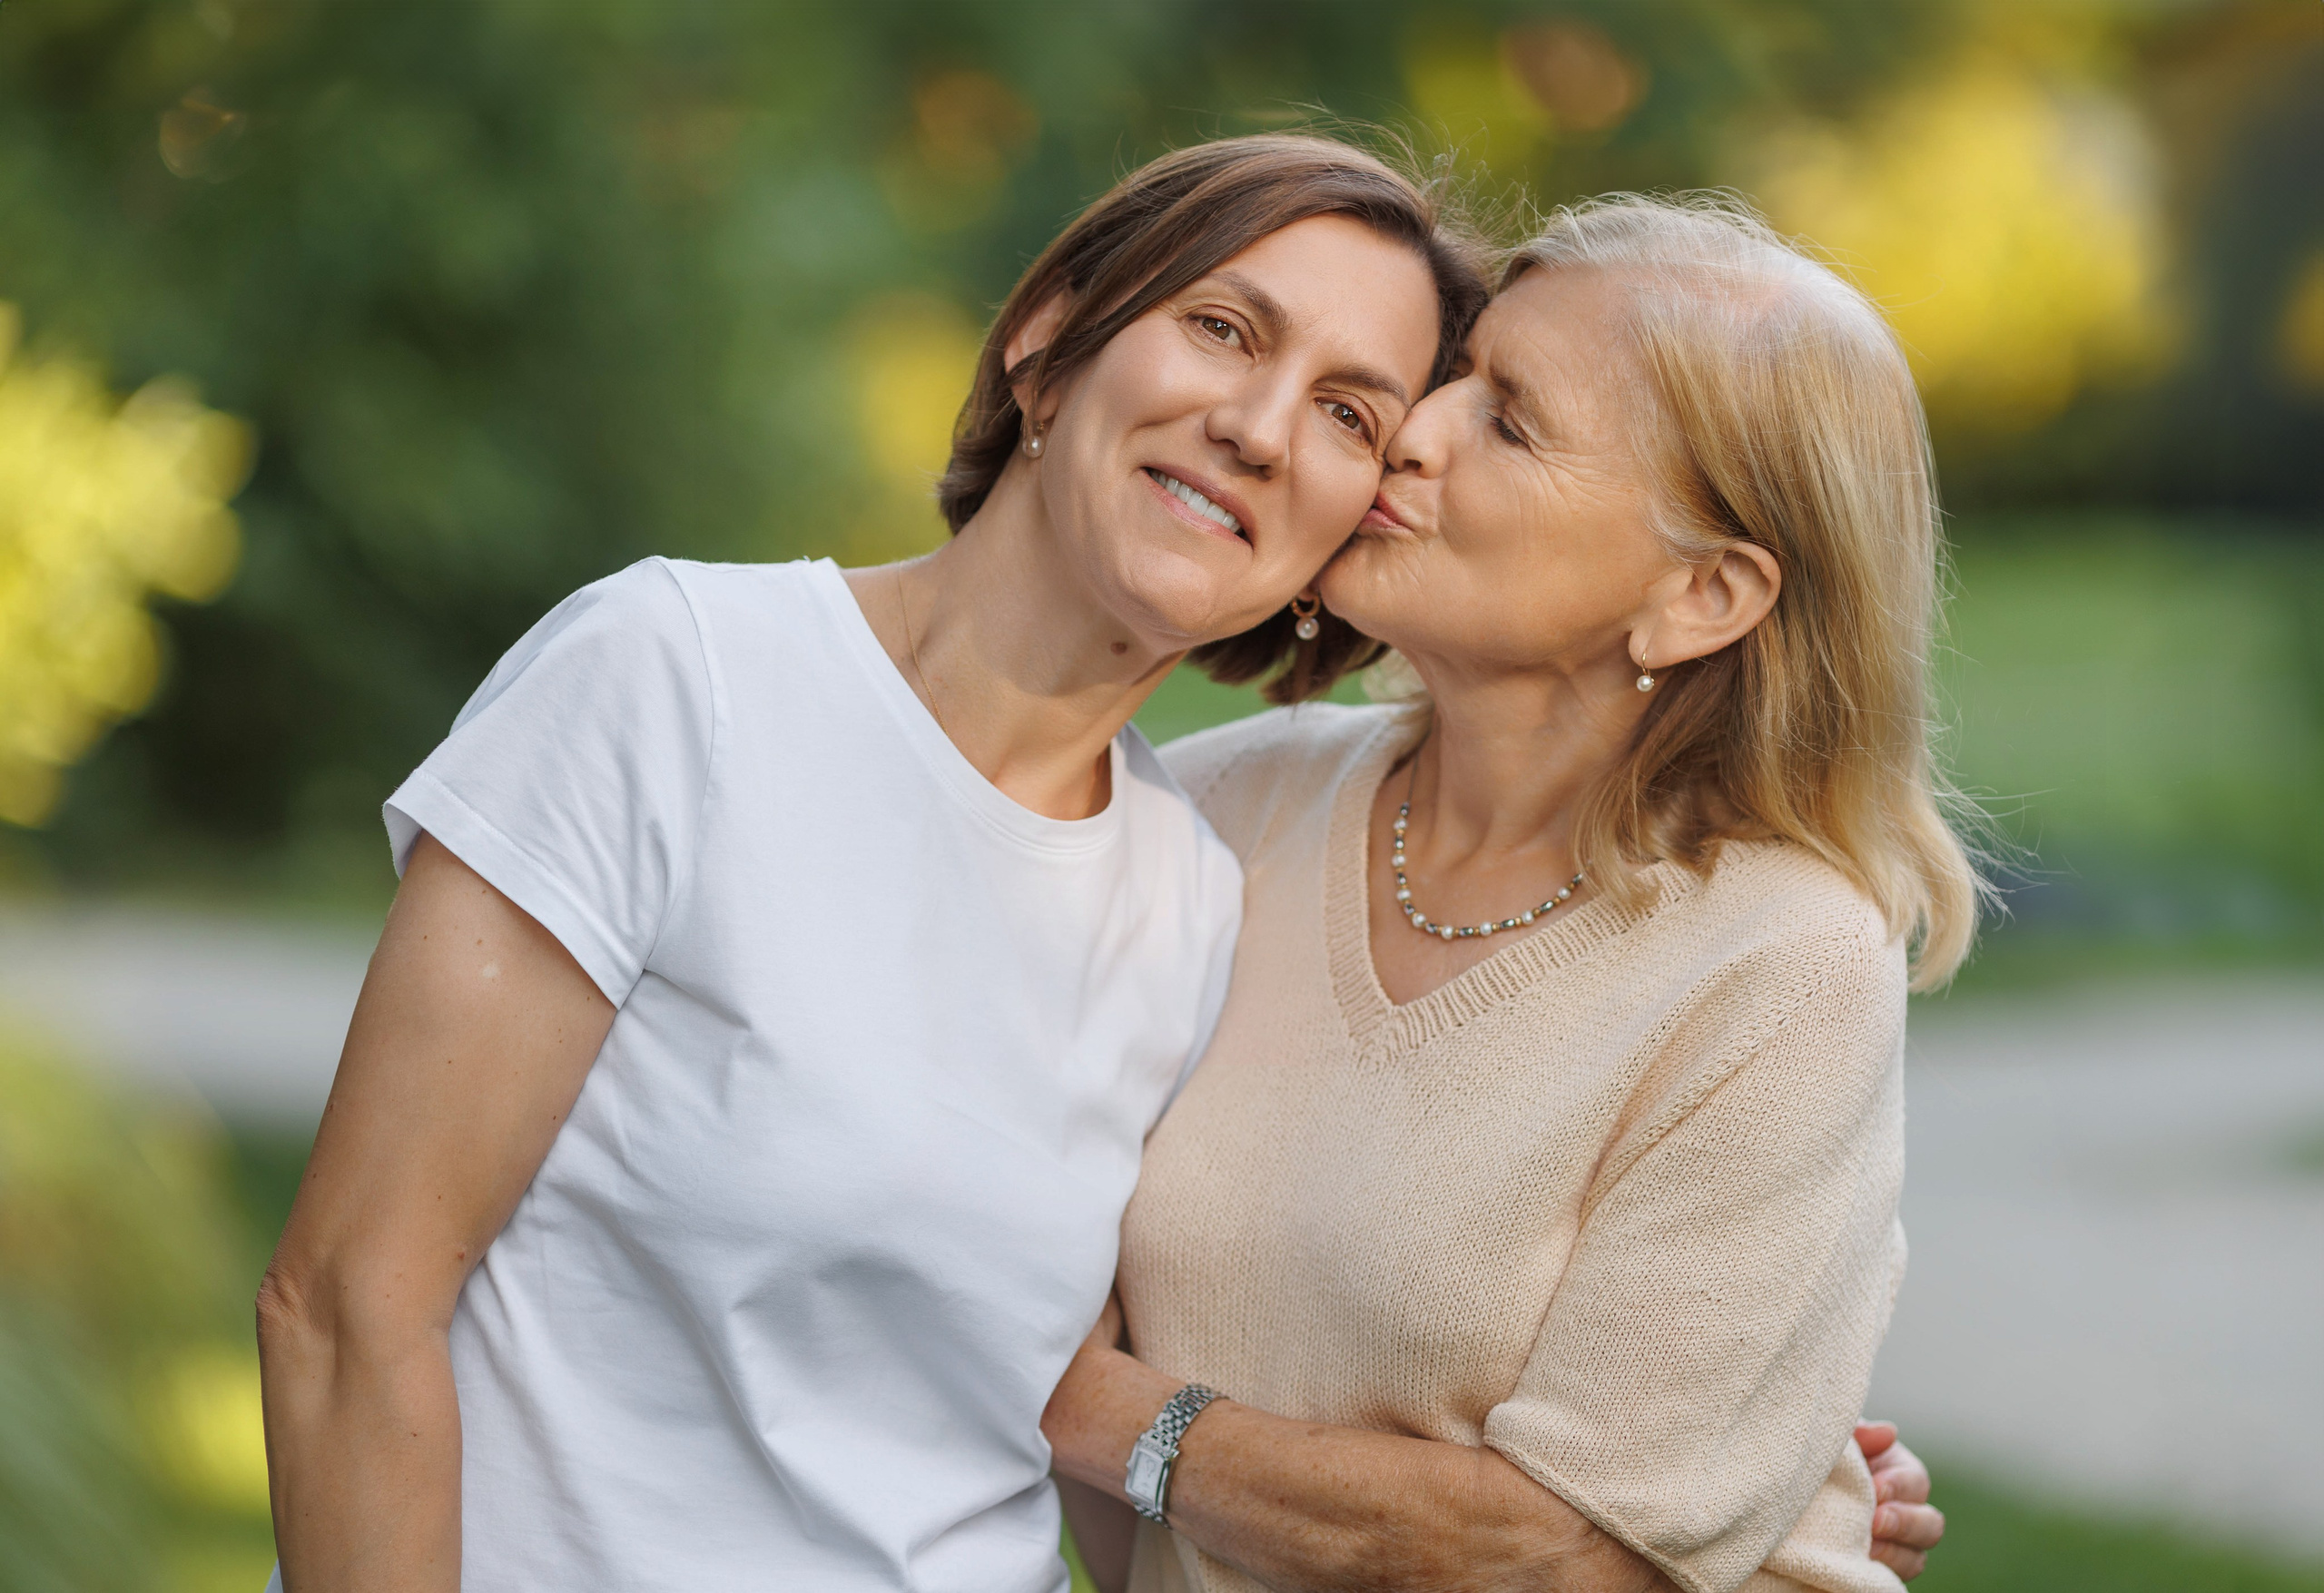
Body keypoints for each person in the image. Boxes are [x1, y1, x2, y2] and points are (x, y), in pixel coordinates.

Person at [253, 133, 1476, 1592]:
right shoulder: (678, 678)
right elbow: (345, 1306)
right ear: (1047, 339)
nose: (1264, 429)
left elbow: (1096, 1438)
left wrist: (1753, 1515)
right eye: (1223, 328)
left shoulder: (1197, 902)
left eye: (1351, 413)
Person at [1040, 194, 1970, 1593]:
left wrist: (1100, 1415)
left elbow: (1564, 1551)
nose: (1413, 427)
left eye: (1513, 420)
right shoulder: (1213, 813)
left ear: (1702, 594)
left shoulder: (1784, 967)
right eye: (1460, 373)